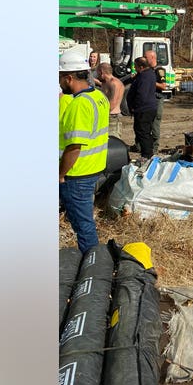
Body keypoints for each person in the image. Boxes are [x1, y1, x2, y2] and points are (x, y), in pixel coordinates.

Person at [59, 45, 110, 254]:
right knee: (85, 220)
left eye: (61, 77)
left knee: (83, 225)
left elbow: (74, 146)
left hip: (77, 173)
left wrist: (60, 174)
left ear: (69, 77)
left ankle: (92, 264)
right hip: (93, 168)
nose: (60, 81)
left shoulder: (79, 104)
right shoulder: (98, 96)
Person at [125, 56, 158, 158]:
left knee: (143, 132)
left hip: (143, 109)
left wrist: (135, 107)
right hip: (149, 107)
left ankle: (147, 154)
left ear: (141, 67)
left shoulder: (144, 76)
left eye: (135, 66)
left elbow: (141, 94)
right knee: (144, 131)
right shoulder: (148, 74)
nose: (135, 68)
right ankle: (147, 152)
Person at [143, 49, 167, 152]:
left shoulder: (159, 70)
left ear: (152, 58)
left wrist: (151, 82)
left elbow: (163, 86)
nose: (144, 59)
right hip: (148, 100)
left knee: (155, 124)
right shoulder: (147, 70)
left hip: (157, 99)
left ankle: (155, 147)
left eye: (146, 57)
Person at [96, 62, 125, 140]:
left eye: (98, 73)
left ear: (101, 72)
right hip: (108, 116)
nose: (97, 75)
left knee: (113, 142)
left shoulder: (114, 83)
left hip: (112, 118)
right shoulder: (106, 82)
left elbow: (112, 104)